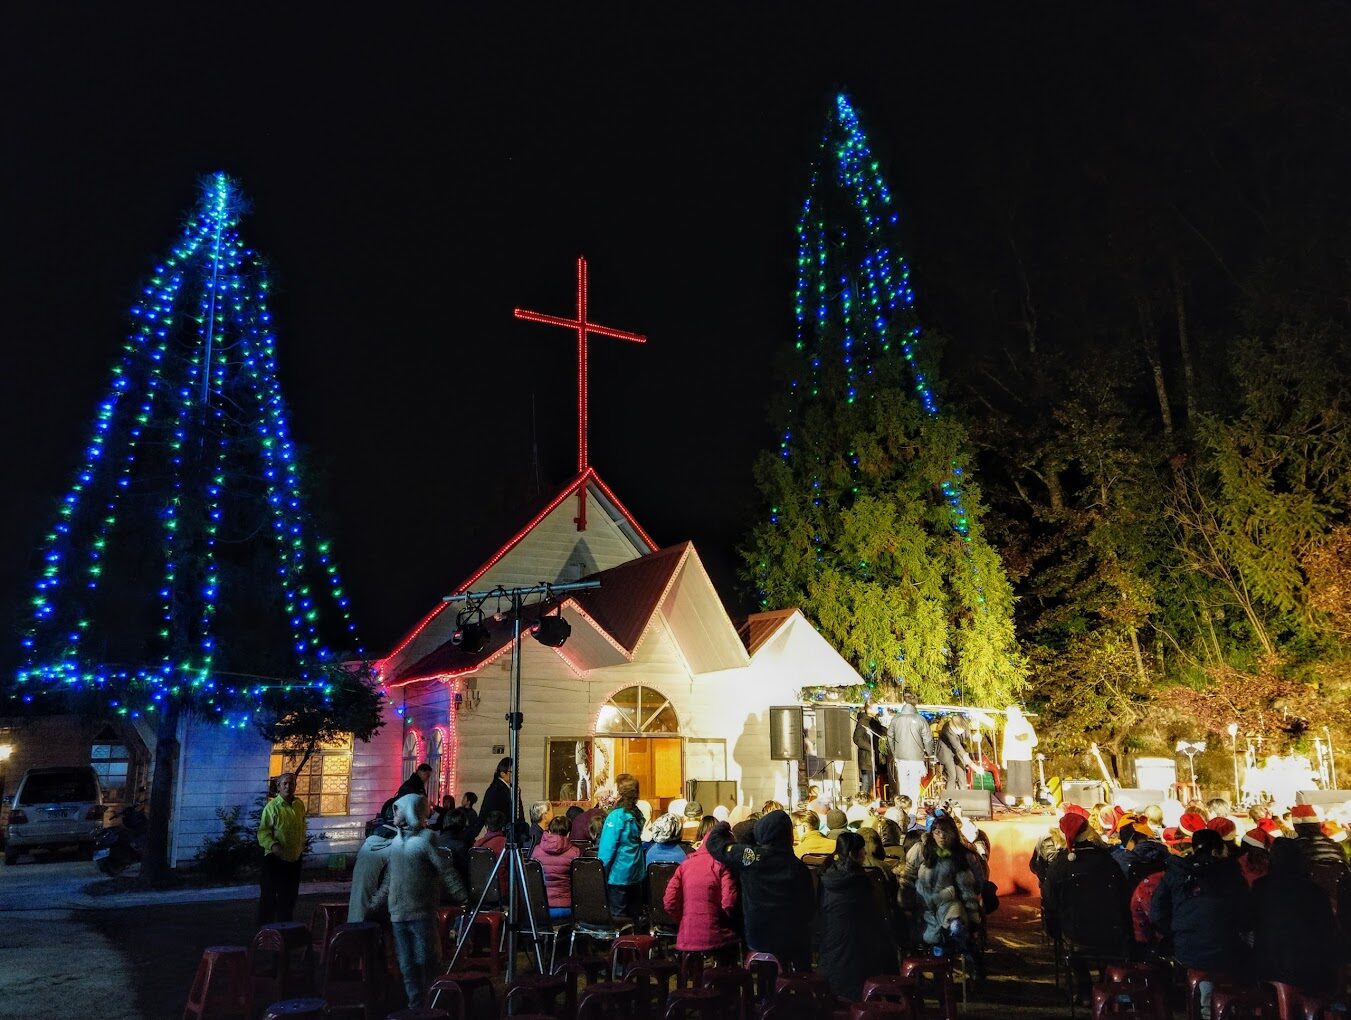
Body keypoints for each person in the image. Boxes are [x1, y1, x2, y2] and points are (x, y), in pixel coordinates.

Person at [372, 793, 468, 1009]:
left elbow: (445, 870)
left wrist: (462, 896)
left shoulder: (427, 840)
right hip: (398, 913)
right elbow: (390, 878)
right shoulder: (396, 842)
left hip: (420, 912)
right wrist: (375, 903)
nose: (394, 813)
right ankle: (416, 1006)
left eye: (398, 809)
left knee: (427, 961)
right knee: (407, 965)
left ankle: (433, 1005)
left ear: (410, 810)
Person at [706, 810, 816, 969]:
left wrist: (722, 825)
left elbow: (714, 844)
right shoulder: (798, 868)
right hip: (791, 940)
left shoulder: (750, 857)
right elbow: (809, 908)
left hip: (757, 938)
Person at [1151, 829, 1251, 977]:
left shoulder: (1177, 872)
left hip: (1186, 950)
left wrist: (1178, 930)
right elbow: (1246, 917)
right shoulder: (1231, 873)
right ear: (1217, 850)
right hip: (1225, 951)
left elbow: (1157, 913)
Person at [1252, 838, 1345, 996]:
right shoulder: (1314, 891)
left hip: (1268, 970)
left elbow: (1249, 924)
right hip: (1309, 972)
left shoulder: (1260, 887)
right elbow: (1329, 931)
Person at [818, 831, 899, 999]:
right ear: (856, 854)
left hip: (829, 950)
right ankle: (894, 999)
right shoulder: (860, 882)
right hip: (858, 956)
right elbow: (875, 917)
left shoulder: (827, 876)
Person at [913, 815, 984, 978]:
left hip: (952, 908)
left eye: (946, 832)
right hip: (925, 909)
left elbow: (972, 888)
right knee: (933, 944)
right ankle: (942, 984)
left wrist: (973, 917)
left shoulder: (963, 856)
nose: (942, 836)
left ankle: (968, 962)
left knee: (956, 931)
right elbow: (908, 878)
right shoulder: (921, 851)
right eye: (937, 832)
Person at [664, 819, 739, 955]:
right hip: (717, 937)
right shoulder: (722, 865)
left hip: (686, 937)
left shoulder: (685, 864)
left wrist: (684, 920)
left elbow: (669, 902)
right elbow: (729, 903)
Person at [256, 772, 307, 925]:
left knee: (289, 897)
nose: (288, 786)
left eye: (291, 783)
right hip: (274, 859)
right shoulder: (272, 807)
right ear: (278, 787)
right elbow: (263, 832)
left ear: (295, 786)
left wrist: (301, 846)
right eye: (284, 783)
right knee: (269, 897)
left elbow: (302, 827)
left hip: (294, 859)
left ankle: (285, 931)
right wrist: (273, 845)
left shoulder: (299, 805)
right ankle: (264, 933)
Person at [597, 773, 646, 918]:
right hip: (636, 874)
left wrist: (601, 871)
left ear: (620, 791)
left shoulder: (616, 816)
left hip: (619, 876)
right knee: (635, 916)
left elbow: (607, 849)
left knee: (619, 918)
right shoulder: (637, 814)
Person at [349, 813, 398, 922]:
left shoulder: (369, 845)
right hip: (375, 918)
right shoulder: (395, 849)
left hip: (356, 916)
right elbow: (387, 887)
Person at [887, 698, 934, 807]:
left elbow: (890, 736)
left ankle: (903, 808)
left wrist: (894, 752)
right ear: (915, 706)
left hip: (900, 757)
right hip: (916, 757)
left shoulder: (895, 719)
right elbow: (928, 739)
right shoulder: (920, 719)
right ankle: (912, 808)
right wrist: (929, 752)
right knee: (914, 784)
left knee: (903, 784)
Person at [531, 814, 579, 920]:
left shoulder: (535, 851)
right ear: (568, 834)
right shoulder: (575, 853)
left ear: (549, 831)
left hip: (540, 906)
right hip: (566, 906)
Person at [1000, 706, 1038, 808]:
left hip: (1024, 757)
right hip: (1011, 757)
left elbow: (1034, 742)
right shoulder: (1008, 725)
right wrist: (1004, 758)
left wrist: (1025, 739)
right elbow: (1005, 743)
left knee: (1025, 782)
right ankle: (1010, 804)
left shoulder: (1027, 725)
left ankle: (1028, 804)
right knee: (1011, 783)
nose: (1008, 717)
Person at [477, 757, 523, 839]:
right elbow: (485, 812)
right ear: (503, 773)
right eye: (512, 772)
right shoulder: (497, 789)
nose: (515, 775)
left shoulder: (510, 788)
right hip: (501, 833)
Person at [852, 704, 888, 797]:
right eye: (876, 708)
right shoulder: (863, 721)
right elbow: (857, 738)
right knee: (866, 784)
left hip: (873, 759)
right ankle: (862, 802)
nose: (878, 710)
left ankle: (868, 802)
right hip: (867, 758)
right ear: (869, 709)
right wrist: (870, 748)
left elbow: (882, 730)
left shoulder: (873, 721)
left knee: (871, 784)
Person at [935, 714, 975, 792]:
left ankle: (964, 795)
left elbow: (968, 734)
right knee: (952, 774)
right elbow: (958, 748)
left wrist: (974, 737)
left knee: (961, 772)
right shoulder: (948, 729)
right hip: (946, 751)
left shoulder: (964, 725)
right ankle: (950, 797)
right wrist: (972, 765)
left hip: (957, 750)